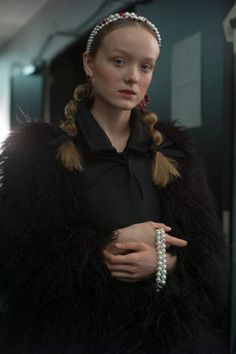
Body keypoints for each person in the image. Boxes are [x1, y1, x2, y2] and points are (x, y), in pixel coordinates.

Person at [0, 11, 228, 354]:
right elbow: (16, 262)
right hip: (71, 340)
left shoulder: (175, 155)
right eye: (119, 61)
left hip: (161, 341)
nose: (132, 77)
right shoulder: (37, 154)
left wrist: (165, 262)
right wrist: (106, 245)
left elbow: (210, 259)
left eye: (145, 66)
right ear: (90, 63)